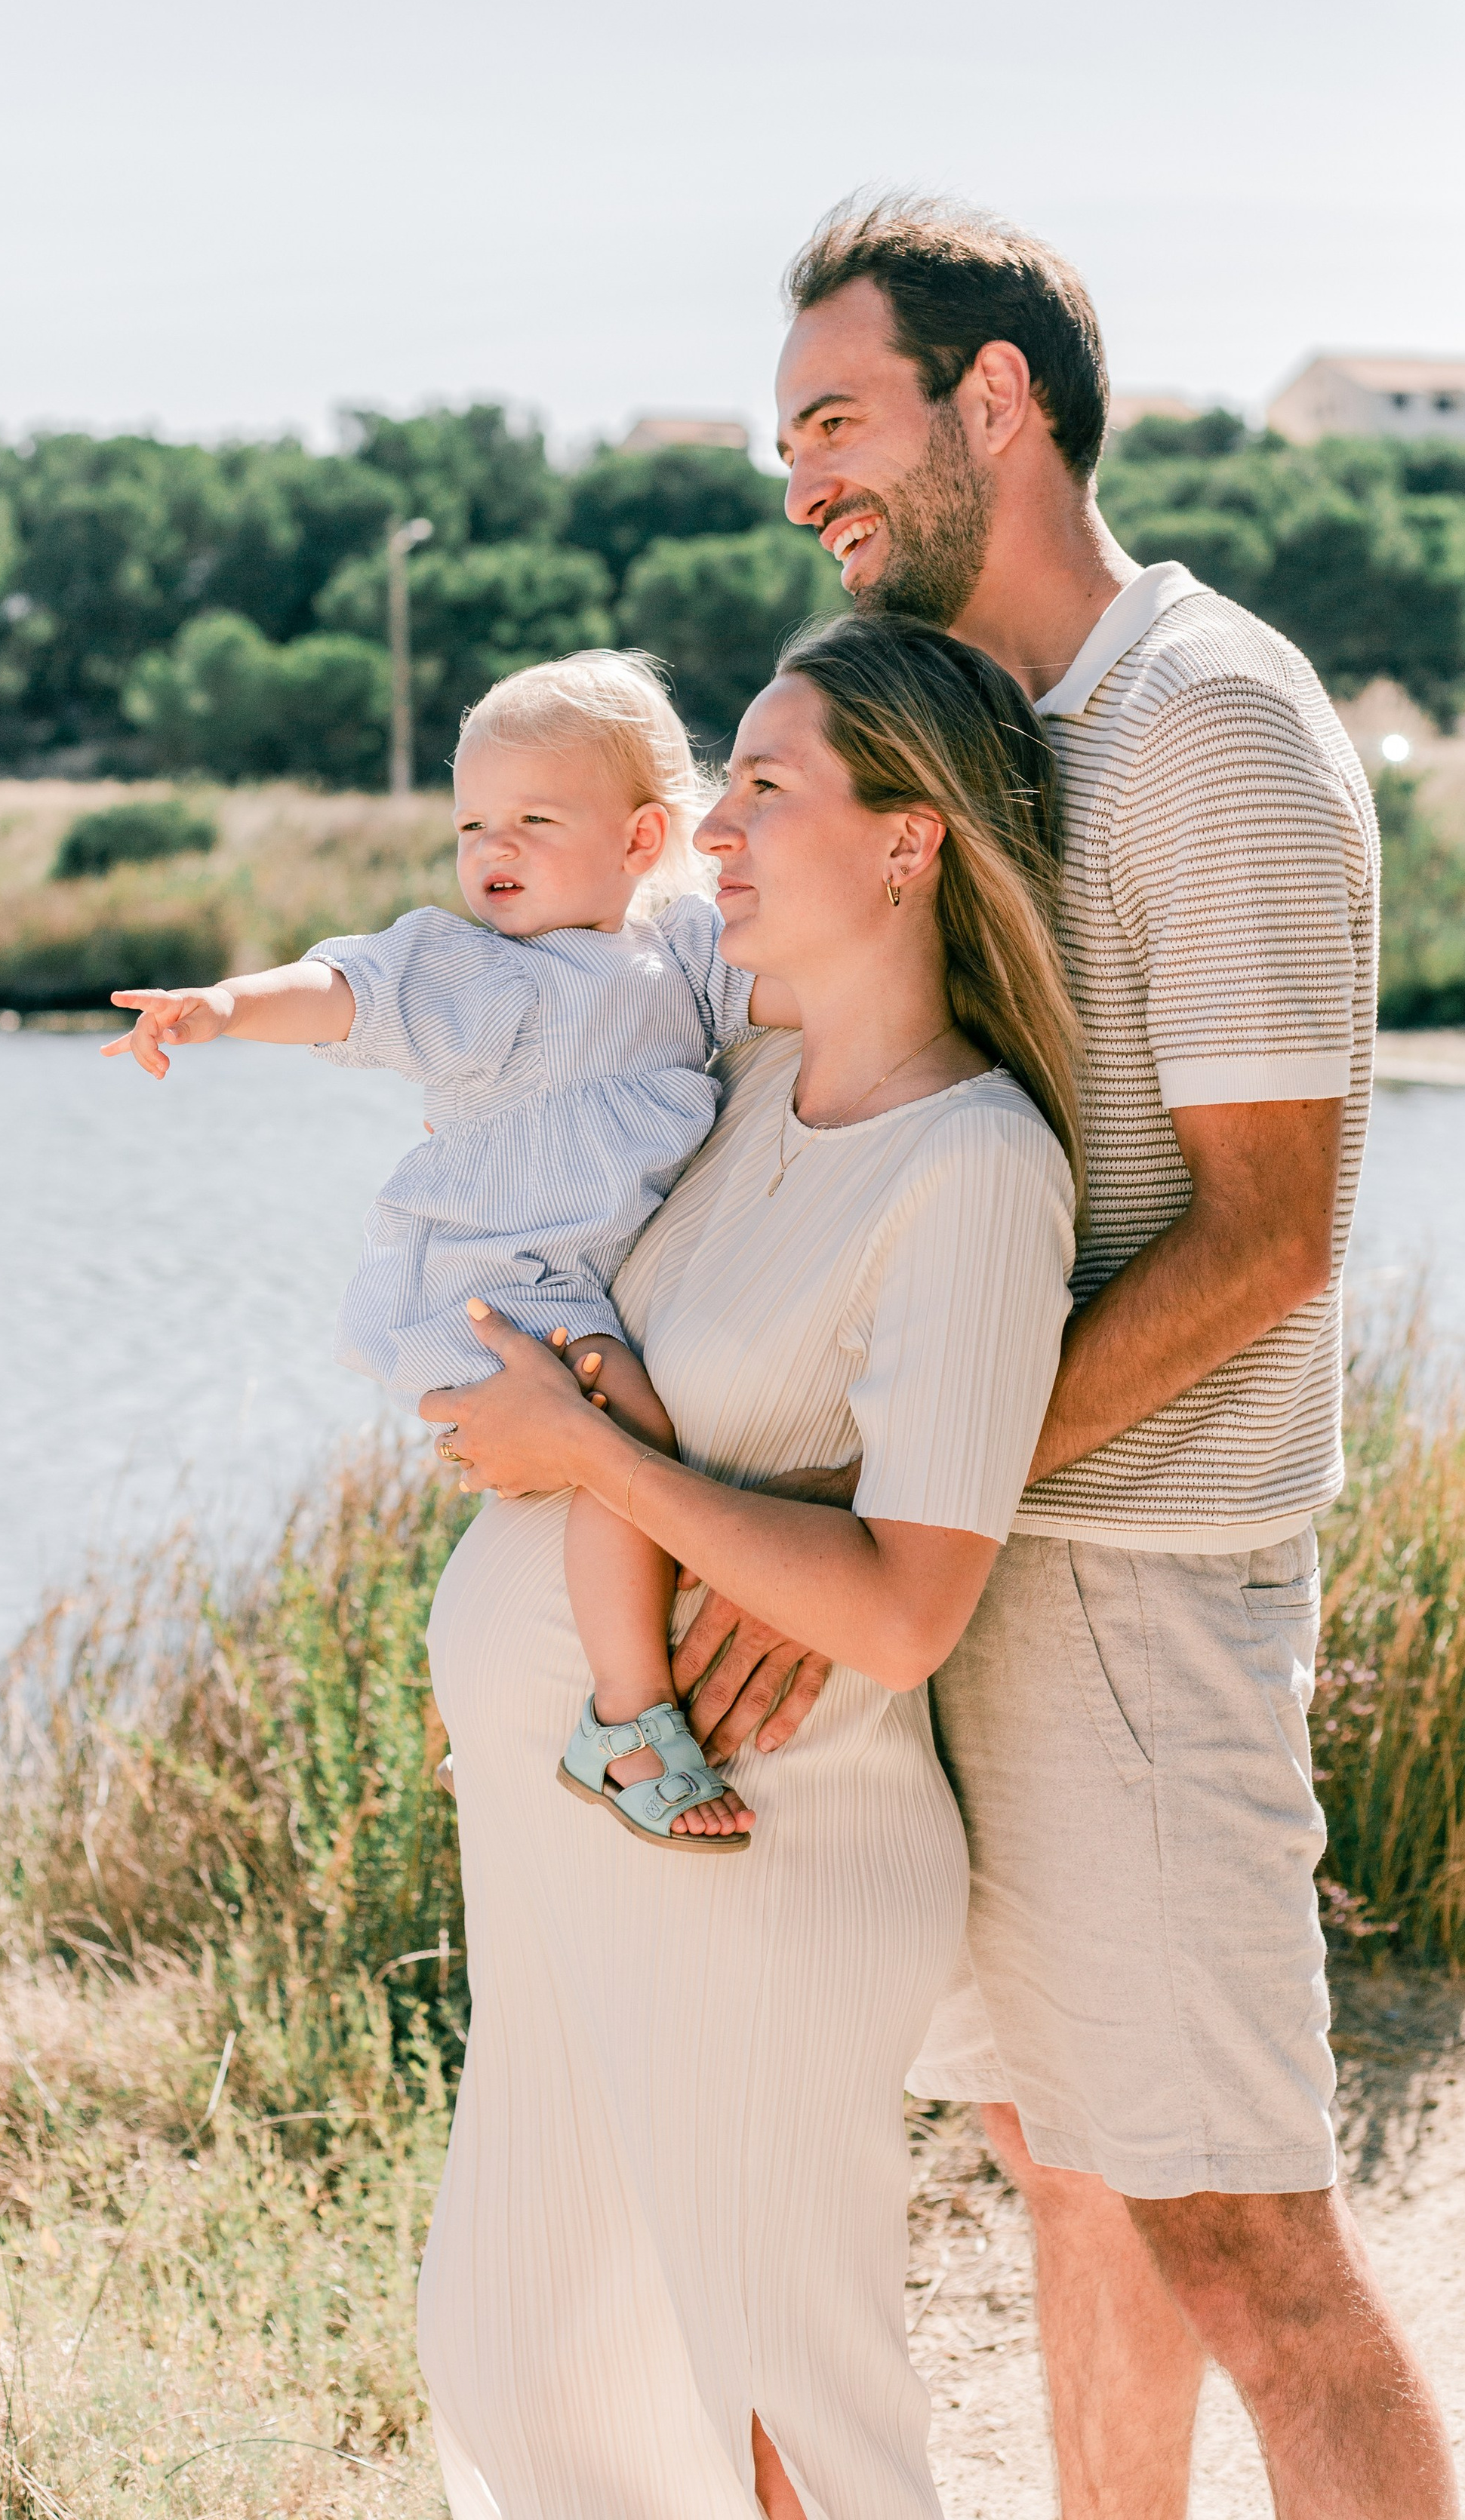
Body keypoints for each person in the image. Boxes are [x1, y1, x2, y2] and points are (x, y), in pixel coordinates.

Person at [672, 196, 1461, 2519]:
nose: (798, 479)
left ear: (990, 404)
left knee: (1243, 2230)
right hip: (991, 1569)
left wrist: (895, 1512)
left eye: (835, 419)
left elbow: (1268, 1237)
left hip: (1133, 1585)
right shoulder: (997, 733)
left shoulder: (1206, 725)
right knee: (1068, 2161)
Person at [415, 612, 1080, 2519]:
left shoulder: (974, 1166)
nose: (711, 829)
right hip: (576, 1857)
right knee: (535, 2366)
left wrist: (581, 1456)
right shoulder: (731, 1106)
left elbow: (902, 1603)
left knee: (771, 2419)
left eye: (764, 790)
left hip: (758, 1866)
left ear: (909, 841)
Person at [102, 647, 768, 1845]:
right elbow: (350, 986)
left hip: (570, 1275)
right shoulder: (480, 972)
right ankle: (626, 1724)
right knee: (634, 1443)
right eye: (471, 824)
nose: (490, 851)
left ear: (638, 840)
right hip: (484, 1286)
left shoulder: (685, 956)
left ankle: (489, 1721)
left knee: (570, 1479)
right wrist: (224, 1007)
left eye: (531, 820)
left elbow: (796, 985)